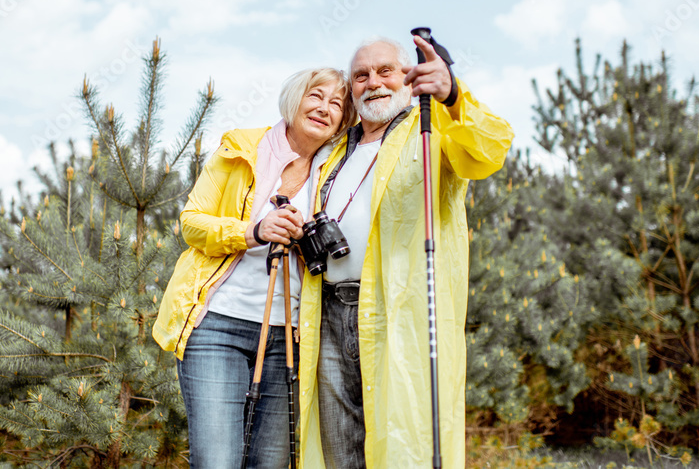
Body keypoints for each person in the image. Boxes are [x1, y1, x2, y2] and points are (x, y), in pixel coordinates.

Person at [296, 35, 514, 468]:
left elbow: (489, 150)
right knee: (338, 445)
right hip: (326, 314)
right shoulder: (331, 149)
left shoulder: (433, 128)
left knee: (403, 442)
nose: (372, 82)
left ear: (407, 77)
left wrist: (452, 93)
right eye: (361, 75)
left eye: (385, 71)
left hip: (400, 313)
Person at [153, 67, 356, 469]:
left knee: (270, 462)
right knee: (217, 461)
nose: (324, 108)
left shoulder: (338, 168)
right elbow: (192, 223)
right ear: (295, 98)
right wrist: (254, 231)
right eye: (316, 96)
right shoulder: (243, 148)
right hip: (217, 326)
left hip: (291, 334)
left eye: (337, 104)